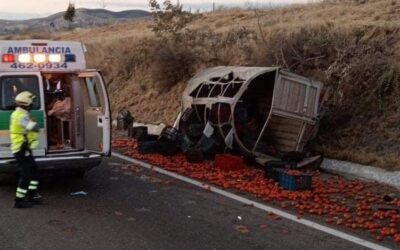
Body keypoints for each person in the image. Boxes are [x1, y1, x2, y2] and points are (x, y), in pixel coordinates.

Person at [10, 91, 43, 208]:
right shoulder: (21, 116)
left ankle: (31, 195)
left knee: (34, 171)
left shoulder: (20, 113)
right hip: (21, 149)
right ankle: (18, 201)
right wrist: (33, 121)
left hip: (24, 148)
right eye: (32, 103)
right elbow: (34, 128)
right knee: (26, 174)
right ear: (27, 104)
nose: (33, 104)